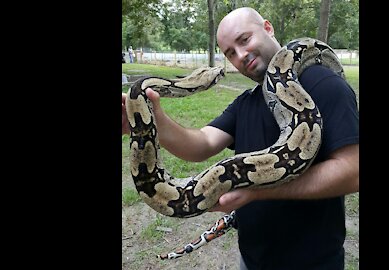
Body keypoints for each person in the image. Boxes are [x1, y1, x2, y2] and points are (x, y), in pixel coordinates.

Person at [121, 7, 359, 270]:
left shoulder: (323, 84)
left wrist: (256, 191)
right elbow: (201, 144)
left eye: (244, 40)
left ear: (268, 28)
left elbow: (353, 171)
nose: (241, 55)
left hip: (312, 262)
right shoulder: (247, 102)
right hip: (252, 258)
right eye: (230, 53)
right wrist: (152, 120)